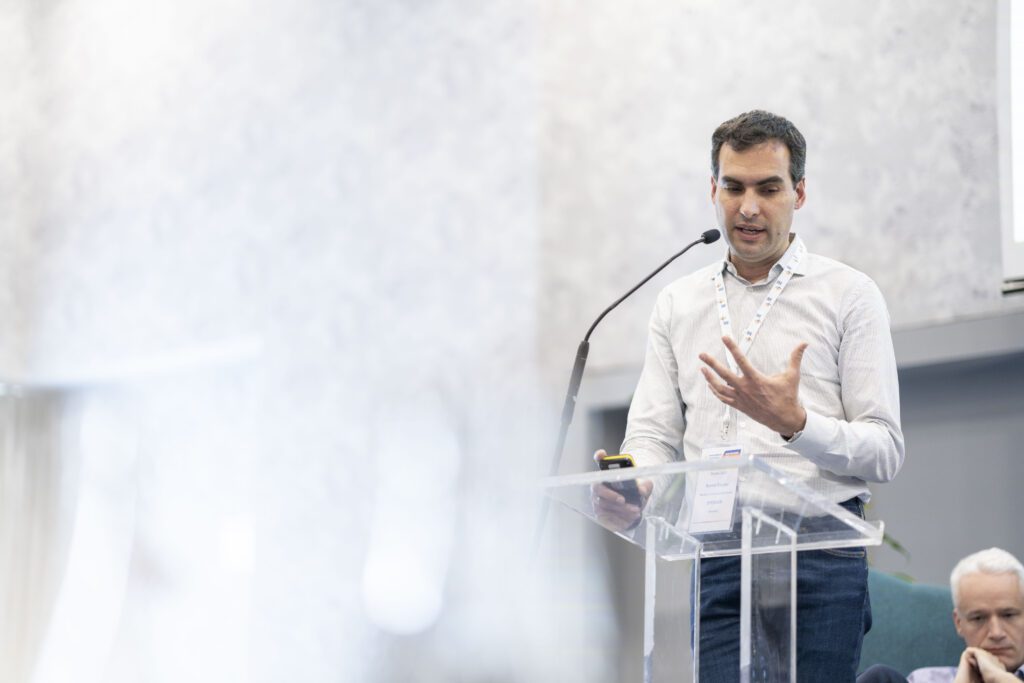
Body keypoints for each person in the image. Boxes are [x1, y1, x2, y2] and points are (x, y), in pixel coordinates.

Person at [593, 110, 904, 681]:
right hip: (716, 557)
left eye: (769, 187)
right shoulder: (677, 303)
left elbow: (884, 450)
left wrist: (797, 423)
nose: (749, 207)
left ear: (800, 193)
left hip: (820, 557)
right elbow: (653, 434)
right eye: (733, 187)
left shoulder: (849, 295)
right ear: (713, 189)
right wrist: (636, 478)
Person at [858, 548, 1024, 683]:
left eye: (1008, 615)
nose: (996, 633)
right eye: (978, 618)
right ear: (958, 623)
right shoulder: (925, 679)